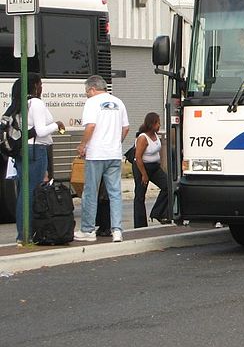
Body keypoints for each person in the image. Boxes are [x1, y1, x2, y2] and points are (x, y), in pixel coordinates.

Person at [10, 74, 64, 245]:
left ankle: (22, 234)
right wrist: (57, 125)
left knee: (24, 193)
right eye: (40, 84)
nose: (42, 88)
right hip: (36, 149)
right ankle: (27, 235)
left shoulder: (19, 103)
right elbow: (40, 131)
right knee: (33, 192)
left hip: (21, 151)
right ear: (34, 86)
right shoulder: (36, 103)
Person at [74, 75, 129, 243]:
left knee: (90, 192)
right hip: (114, 154)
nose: (86, 95)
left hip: (96, 154)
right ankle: (117, 231)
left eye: (86, 92)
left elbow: (91, 126)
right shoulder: (118, 102)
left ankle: (88, 229)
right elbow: (126, 127)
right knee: (115, 193)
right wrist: (115, 142)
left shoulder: (92, 103)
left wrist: (83, 145)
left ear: (92, 89)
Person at [131, 112, 169, 228]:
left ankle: (158, 213)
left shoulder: (156, 135)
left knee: (168, 186)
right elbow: (138, 157)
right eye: (157, 123)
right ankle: (140, 225)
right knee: (140, 196)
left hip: (155, 167)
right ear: (151, 124)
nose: (159, 126)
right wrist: (144, 174)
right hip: (142, 167)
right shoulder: (143, 138)